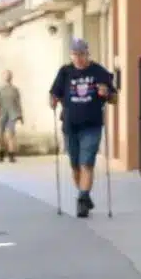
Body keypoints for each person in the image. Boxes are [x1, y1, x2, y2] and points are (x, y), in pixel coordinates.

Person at [49, 38, 117, 218]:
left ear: (88, 54)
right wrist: (53, 101)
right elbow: (54, 93)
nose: (78, 58)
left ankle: (82, 200)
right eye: (75, 55)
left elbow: (114, 98)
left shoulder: (98, 71)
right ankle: (84, 194)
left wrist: (107, 93)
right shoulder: (65, 72)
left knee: (86, 162)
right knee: (75, 166)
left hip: (92, 125)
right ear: (71, 55)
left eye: (82, 54)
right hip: (70, 126)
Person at [0, 69, 23, 162]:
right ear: (3, 77)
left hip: (12, 114)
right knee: (0, 135)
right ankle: (1, 153)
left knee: (11, 134)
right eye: (6, 75)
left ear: (11, 77)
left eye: (9, 75)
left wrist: (21, 116)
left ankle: (11, 155)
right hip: (2, 114)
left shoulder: (15, 90)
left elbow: (18, 103)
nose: (7, 77)